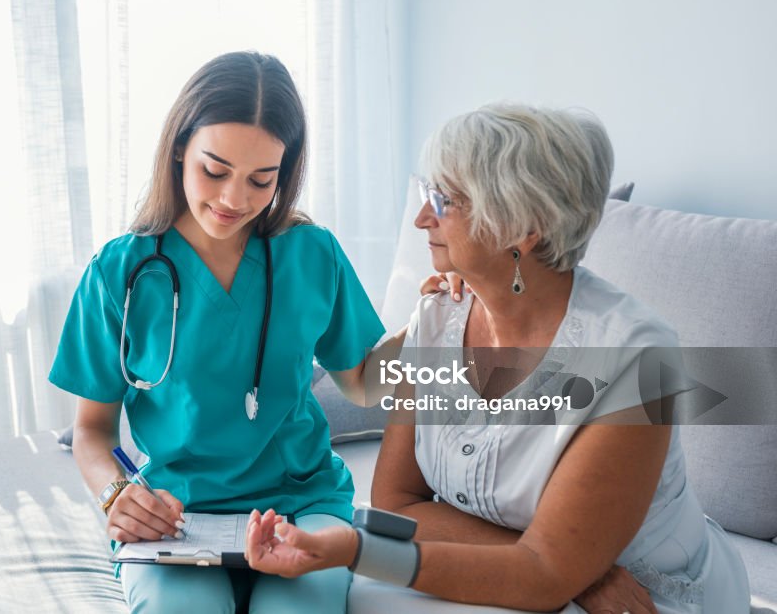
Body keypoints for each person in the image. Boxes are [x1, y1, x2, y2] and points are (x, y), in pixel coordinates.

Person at [245, 103, 751, 613]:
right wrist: (576, 570)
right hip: (565, 579)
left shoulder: (636, 360)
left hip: (637, 598)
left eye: (443, 201)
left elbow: (542, 575)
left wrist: (360, 550)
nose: (422, 217)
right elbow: (399, 504)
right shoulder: (438, 318)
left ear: (522, 228)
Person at [48, 51, 388, 614]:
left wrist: (441, 320)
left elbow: (360, 382)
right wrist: (117, 494)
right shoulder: (119, 272)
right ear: (179, 147)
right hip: (177, 510)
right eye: (215, 170)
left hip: (301, 501)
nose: (235, 200)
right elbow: (91, 428)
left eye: (261, 180)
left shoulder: (310, 253)